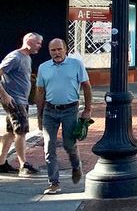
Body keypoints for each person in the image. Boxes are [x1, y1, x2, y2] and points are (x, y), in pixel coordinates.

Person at [35, 38, 92, 195]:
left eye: (59, 49)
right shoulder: (43, 67)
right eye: (53, 50)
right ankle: (53, 183)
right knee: (49, 147)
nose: (57, 53)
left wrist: (87, 109)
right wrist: (39, 116)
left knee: (69, 144)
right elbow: (40, 92)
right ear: (49, 52)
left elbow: (87, 86)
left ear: (65, 49)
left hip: (70, 110)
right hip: (49, 111)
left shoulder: (76, 64)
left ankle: (76, 166)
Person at [0, 32, 43, 177]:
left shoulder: (27, 58)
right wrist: (4, 95)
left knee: (11, 132)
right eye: (38, 43)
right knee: (21, 131)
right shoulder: (15, 57)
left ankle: (1, 163)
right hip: (14, 100)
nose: (40, 46)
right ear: (29, 41)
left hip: (21, 100)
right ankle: (23, 165)